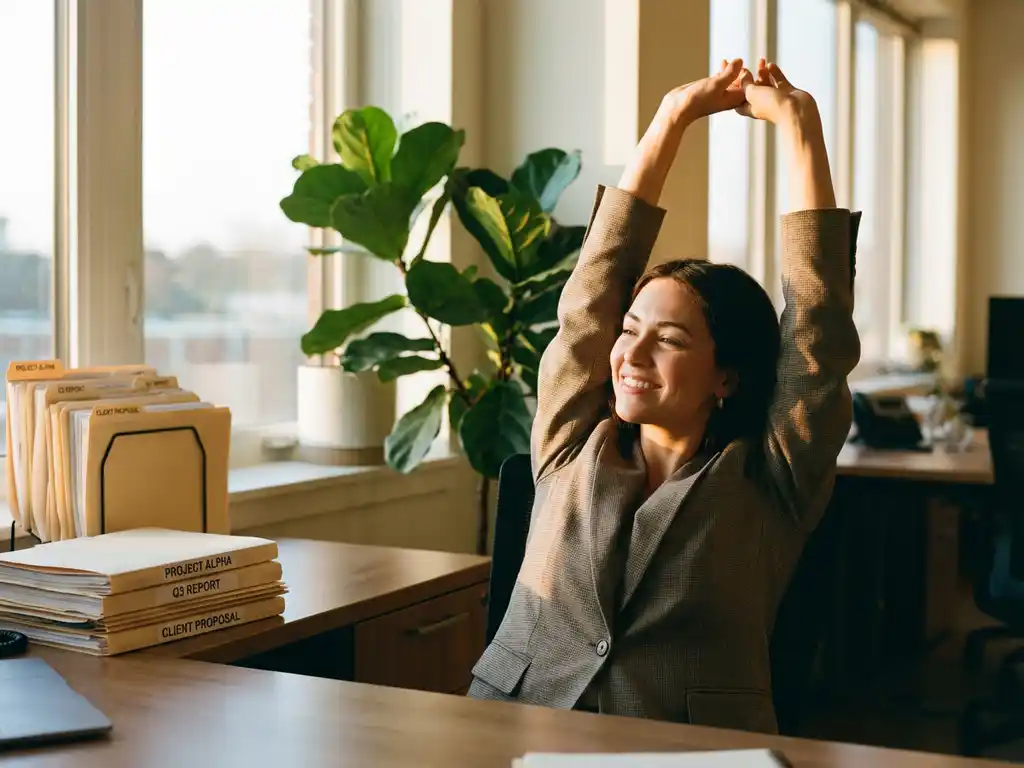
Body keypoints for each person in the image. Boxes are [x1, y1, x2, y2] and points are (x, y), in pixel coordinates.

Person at [467, 58, 861, 735]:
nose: (631, 356)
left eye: (670, 340)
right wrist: (673, 118)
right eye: (629, 330)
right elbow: (594, 287)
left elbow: (817, 327)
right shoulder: (570, 440)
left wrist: (801, 128)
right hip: (519, 731)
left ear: (726, 375)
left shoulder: (773, 477)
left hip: (688, 747)